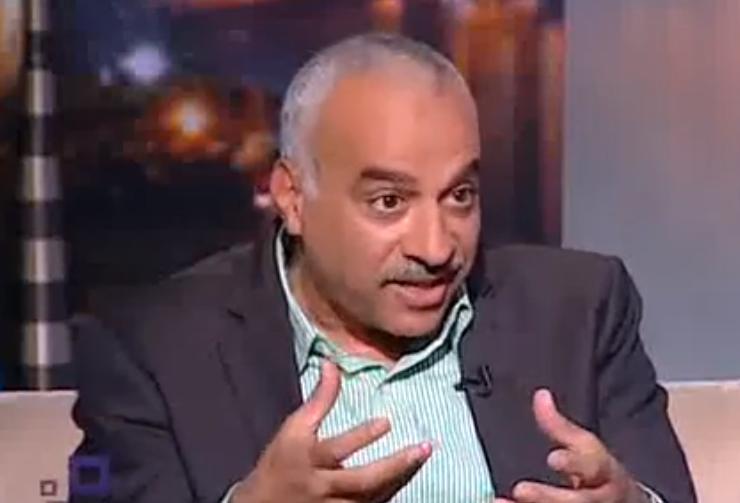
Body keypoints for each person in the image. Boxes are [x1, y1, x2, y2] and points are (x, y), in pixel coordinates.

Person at [71, 33, 696, 503]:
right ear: (293, 198)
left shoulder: (582, 309)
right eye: (389, 202)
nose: (436, 247)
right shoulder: (155, 349)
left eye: (460, 196)